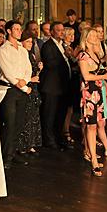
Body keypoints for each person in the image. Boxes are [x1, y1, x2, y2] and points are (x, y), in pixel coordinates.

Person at [76, 28, 107, 176]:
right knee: (91, 127)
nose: (95, 37)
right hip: (89, 94)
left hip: (98, 93)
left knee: (97, 125)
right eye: (91, 35)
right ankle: (94, 162)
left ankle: (92, 155)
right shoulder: (83, 55)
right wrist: (106, 77)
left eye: (95, 35)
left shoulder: (95, 54)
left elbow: (98, 73)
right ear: (85, 38)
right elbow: (86, 76)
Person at [0, 21, 33, 168]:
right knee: (9, 124)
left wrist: (26, 81)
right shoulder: (3, 50)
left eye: (20, 29)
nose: (19, 31)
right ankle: (5, 157)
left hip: (22, 88)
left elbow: (28, 69)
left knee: (19, 123)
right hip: (10, 90)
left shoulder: (23, 50)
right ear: (9, 31)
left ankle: (13, 152)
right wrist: (24, 87)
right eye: (16, 29)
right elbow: (9, 74)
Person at [39, 22, 71, 150]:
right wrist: (65, 57)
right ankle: (49, 140)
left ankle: (58, 138)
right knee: (49, 115)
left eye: (63, 30)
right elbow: (50, 64)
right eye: (58, 30)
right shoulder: (48, 46)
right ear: (51, 32)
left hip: (61, 86)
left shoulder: (63, 45)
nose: (61, 32)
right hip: (51, 86)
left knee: (60, 114)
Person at [19, 31, 43, 157]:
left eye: (31, 42)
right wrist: (30, 79)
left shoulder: (32, 55)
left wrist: (39, 69)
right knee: (26, 117)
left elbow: (34, 73)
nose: (30, 44)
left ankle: (31, 144)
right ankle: (23, 145)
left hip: (33, 87)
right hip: (25, 87)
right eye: (27, 41)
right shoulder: (20, 55)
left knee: (33, 116)